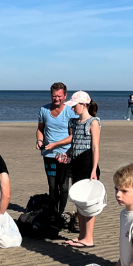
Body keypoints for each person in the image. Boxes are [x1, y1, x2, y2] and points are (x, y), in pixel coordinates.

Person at [63, 91, 101, 248]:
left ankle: (88, 238)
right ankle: (81, 236)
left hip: (87, 164)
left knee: (88, 203)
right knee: (79, 201)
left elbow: (95, 147)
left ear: (84, 105)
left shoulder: (93, 122)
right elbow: (74, 144)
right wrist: (67, 154)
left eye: (74, 106)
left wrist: (94, 170)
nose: (72, 109)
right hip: (76, 163)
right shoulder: (74, 122)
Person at [35, 82, 74, 216]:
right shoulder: (44, 110)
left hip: (65, 154)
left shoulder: (70, 111)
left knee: (63, 187)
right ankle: (53, 213)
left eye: (59, 96)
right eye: (54, 96)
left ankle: (60, 213)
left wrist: (56, 144)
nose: (56, 99)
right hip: (48, 154)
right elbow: (40, 129)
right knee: (52, 187)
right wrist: (40, 140)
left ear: (65, 96)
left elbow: (73, 136)